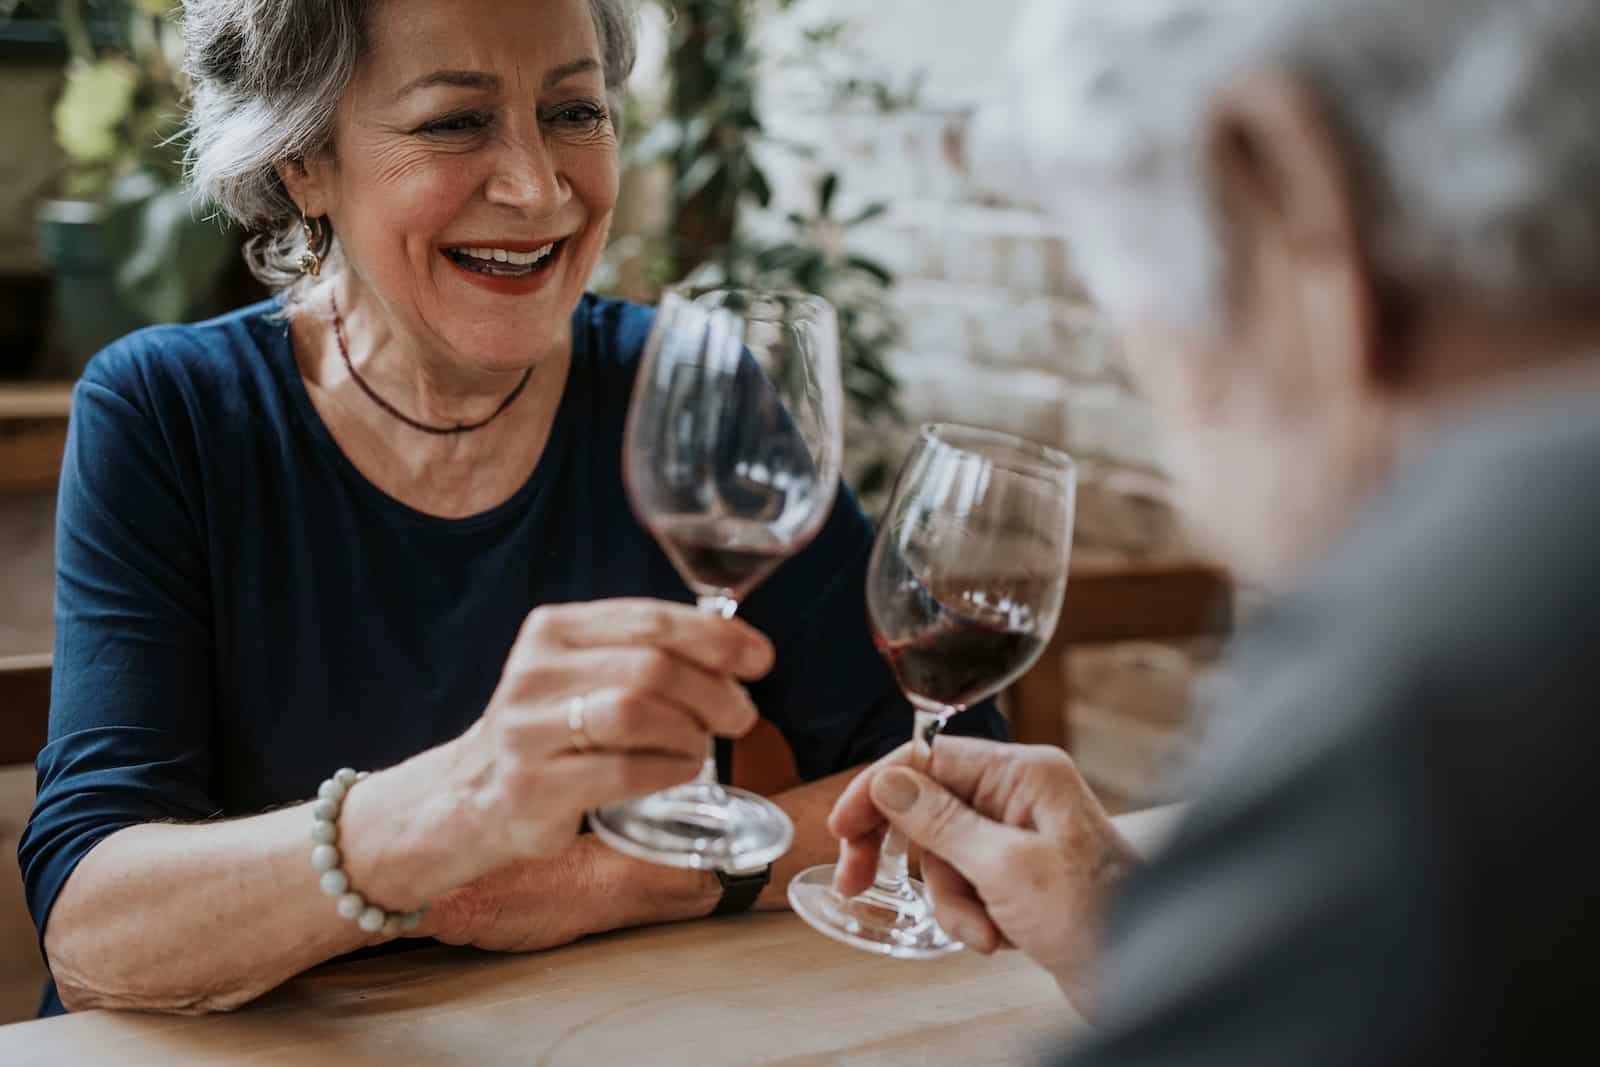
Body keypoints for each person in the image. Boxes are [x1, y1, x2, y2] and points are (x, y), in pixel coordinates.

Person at [16, 0, 1006, 1018]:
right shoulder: (167, 410)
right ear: (302, 159)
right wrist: (449, 810)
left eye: (575, 110)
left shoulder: (686, 391)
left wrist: (600, 878)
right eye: (455, 122)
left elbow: (960, 767)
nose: (537, 187)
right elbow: (95, 936)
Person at [832, 0, 1600, 1061]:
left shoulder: (1442, 660)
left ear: (1286, 187)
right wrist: (1160, 940)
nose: (1198, 488)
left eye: (1146, 355)